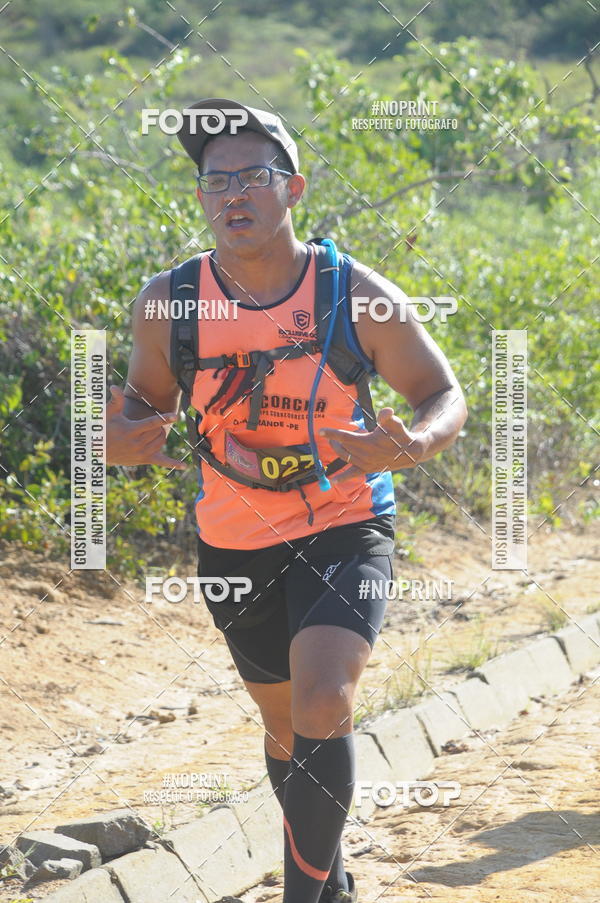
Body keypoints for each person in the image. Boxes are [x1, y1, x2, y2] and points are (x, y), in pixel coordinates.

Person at [106, 98, 468, 903]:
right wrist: (118, 437)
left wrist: (416, 442)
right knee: (285, 727)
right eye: (216, 181)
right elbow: (139, 406)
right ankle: (326, 877)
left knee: (324, 699)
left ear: (294, 188)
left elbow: (443, 392)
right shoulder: (172, 302)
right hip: (234, 537)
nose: (233, 193)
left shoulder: (354, 294)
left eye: (253, 176)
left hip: (345, 517)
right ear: (200, 196)